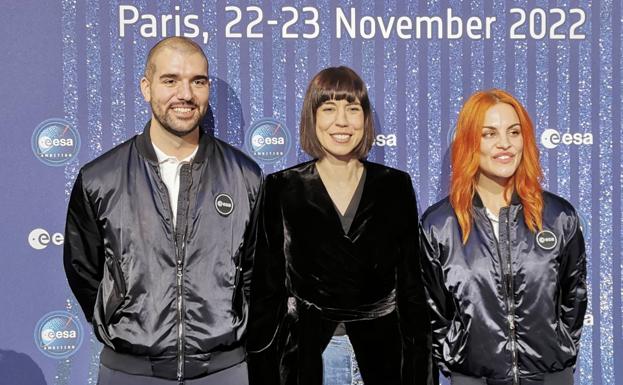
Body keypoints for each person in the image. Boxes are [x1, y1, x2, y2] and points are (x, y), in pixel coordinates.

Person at [63, 36, 262, 385]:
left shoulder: (245, 176)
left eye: (197, 81)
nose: (185, 94)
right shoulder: (100, 179)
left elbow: (256, 273)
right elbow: (83, 268)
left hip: (223, 372)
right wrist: (121, 318)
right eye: (170, 80)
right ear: (146, 86)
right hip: (129, 371)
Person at [246, 66, 433, 385]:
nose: (342, 121)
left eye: (352, 108)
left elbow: (412, 290)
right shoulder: (282, 187)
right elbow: (266, 292)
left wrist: (420, 372)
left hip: (385, 357)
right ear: (312, 118)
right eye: (329, 108)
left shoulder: (394, 186)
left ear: (365, 118)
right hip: (307, 356)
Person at [419, 89, 587, 385]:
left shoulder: (559, 216)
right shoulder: (439, 225)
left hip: (549, 376)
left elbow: (573, 296)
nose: (505, 144)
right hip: (474, 379)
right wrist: (458, 357)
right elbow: (435, 310)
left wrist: (560, 350)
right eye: (489, 134)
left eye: (514, 132)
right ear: (470, 141)